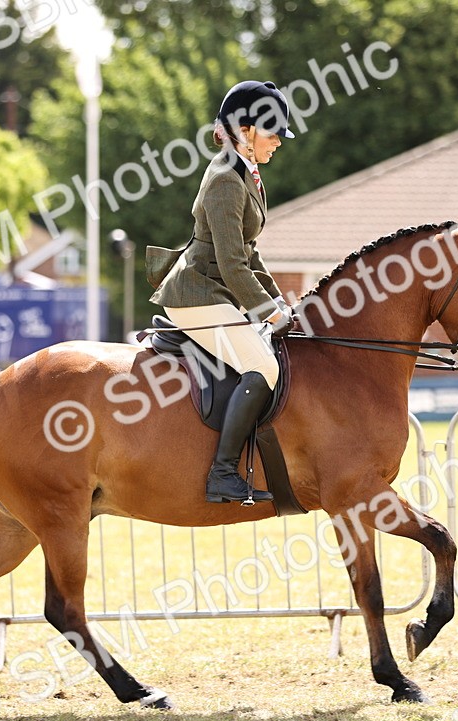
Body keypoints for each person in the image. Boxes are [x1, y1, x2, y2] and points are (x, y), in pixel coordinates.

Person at [149, 80, 297, 504]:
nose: (278, 143)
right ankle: (223, 473)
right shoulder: (225, 181)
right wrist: (268, 312)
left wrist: (280, 303)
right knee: (264, 367)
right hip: (196, 296)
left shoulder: (245, 175)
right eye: (273, 134)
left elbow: (249, 255)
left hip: (216, 292)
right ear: (246, 130)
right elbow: (233, 266)